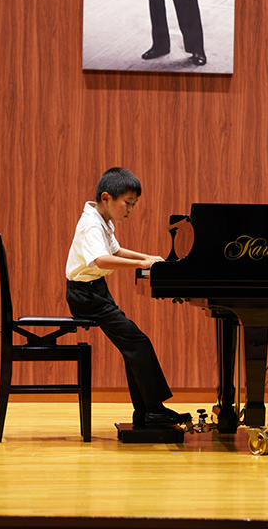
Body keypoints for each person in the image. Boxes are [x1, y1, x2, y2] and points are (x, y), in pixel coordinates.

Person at [65, 167, 190, 428]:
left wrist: (148, 257)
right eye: (128, 203)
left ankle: (146, 412)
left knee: (134, 346)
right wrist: (142, 264)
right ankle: (153, 411)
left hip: (94, 292)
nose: (130, 210)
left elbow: (115, 250)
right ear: (107, 197)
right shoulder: (91, 223)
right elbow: (101, 260)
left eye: (134, 204)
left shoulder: (102, 220)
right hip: (86, 296)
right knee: (138, 343)